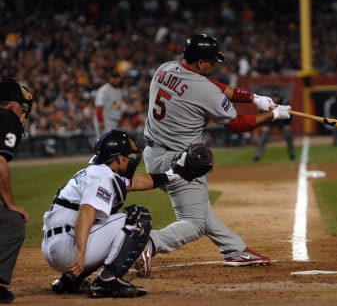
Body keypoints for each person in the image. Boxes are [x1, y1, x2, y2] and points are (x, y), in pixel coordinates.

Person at [138, 34, 291, 277]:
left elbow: (210, 86)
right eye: (211, 62)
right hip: (181, 162)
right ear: (201, 64)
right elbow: (238, 124)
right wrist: (275, 115)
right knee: (195, 223)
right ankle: (147, 244)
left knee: (199, 209)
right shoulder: (203, 89)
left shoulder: (165, 68)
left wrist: (254, 98)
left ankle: (235, 250)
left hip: (153, 153)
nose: (214, 65)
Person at [41, 129, 196, 298]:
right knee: (138, 217)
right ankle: (108, 279)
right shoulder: (102, 176)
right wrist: (80, 253)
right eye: (128, 156)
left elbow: (136, 183)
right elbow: (86, 212)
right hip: (68, 249)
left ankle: (70, 281)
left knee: (114, 231)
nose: (130, 160)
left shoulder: (97, 172)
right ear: (118, 157)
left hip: (55, 246)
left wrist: (175, 174)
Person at [0, 78, 33, 303]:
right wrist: (9, 203)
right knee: (12, 222)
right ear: (11, 104)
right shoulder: (7, 117)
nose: (23, 113)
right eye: (23, 107)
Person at [253, 90, 296, 162]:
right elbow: (262, 114)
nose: (276, 98)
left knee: (288, 136)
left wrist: (288, 124)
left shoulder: (284, 102)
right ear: (272, 96)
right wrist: (264, 125)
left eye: (277, 96)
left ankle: (292, 155)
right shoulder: (267, 102)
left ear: (280, 96)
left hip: (282, 121)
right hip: (270, 121)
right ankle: (257, 156)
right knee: (263, 137)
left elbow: (290, 113)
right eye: (274, 96)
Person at [93, 71, 126, 136]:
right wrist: (100, 121)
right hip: (105, 119)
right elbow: (99, 107)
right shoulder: (104, 90)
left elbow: (118, 107)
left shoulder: (119, 90)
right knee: (105, 143)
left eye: (117, 77)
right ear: (109, 78)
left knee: (112, 143)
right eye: (113, 77)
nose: (115, 79)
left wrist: (121, 118)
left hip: (114, 120)